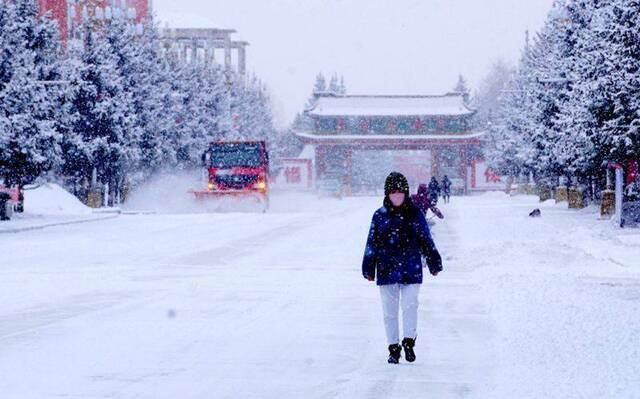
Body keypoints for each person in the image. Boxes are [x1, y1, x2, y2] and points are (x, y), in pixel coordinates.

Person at [362, 172, 443, 364]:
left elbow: (425, 239)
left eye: (400, 192)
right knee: (389, 311)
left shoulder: (415, 214)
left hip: (410, 267)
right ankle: (393, 347)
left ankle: (408, 342)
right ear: (387, 194)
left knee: (410, 305)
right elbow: (371, 243)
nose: (396, 195)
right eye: (393, 192)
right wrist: (368, 267)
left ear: (406, 193)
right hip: (386, 269)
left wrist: (434, 261)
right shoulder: (379, 216)